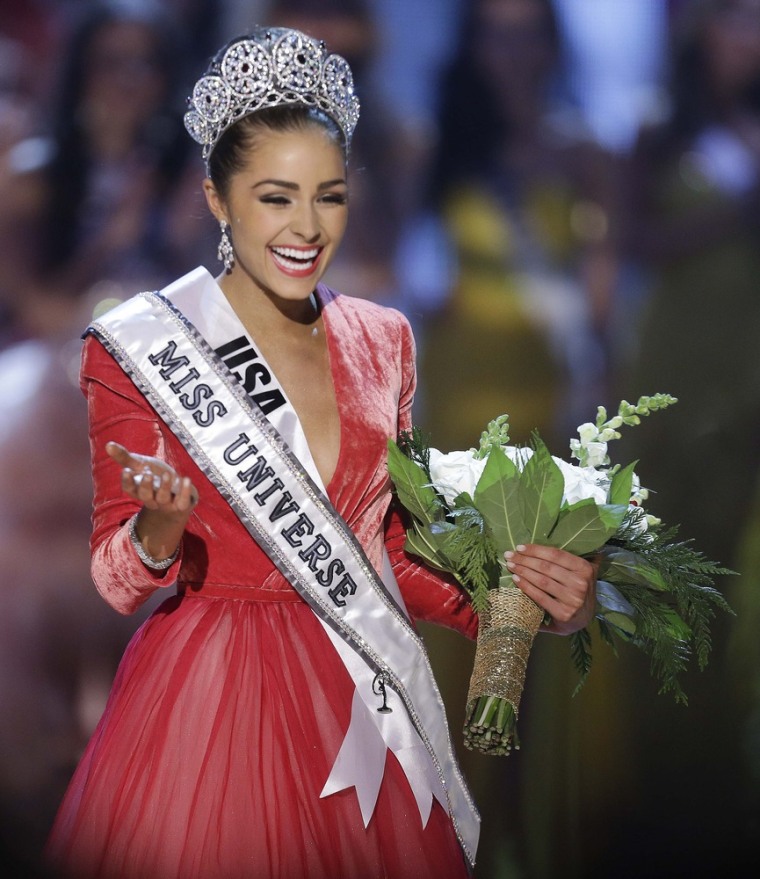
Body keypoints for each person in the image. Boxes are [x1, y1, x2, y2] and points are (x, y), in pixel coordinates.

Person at [44, 26, 596, 879]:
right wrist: (156, 533)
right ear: (217, 200)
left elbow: (396, 552)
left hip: (356, 694)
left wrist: (524, 594)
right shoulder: (144, 347)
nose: (307, 227)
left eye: (328, 196)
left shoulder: (384, 339)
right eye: (276, 197)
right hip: (205, 703)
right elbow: (115, 580)